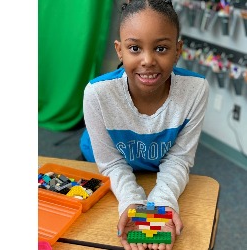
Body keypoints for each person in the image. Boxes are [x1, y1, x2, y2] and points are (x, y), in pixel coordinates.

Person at [80, 0, 209, 249]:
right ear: (120, 50)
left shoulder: (196, 90)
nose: (148, 60)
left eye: (161, 48)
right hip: (108, 162)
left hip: (156, 166)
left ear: (178, 49)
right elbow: (111, 162)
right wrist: (132, 204)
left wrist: (162, 205)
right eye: (135, 48)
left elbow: (179, 159)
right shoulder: (97, 93)